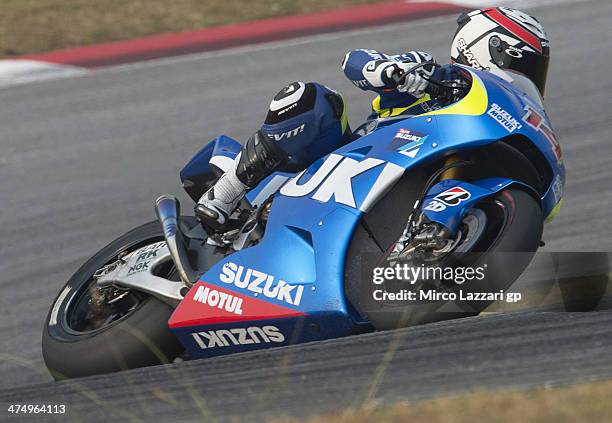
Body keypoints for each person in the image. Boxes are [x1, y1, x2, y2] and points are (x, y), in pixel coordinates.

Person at [195, 6, 550, 229]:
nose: (529, 75)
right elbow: (355, 59)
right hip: (343, 163)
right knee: (314, 99)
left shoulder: (497, 116)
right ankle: (225, 193)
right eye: (524, 62)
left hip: (375, 200)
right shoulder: (431, 73)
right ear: (488, 46)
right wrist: (392, 71)